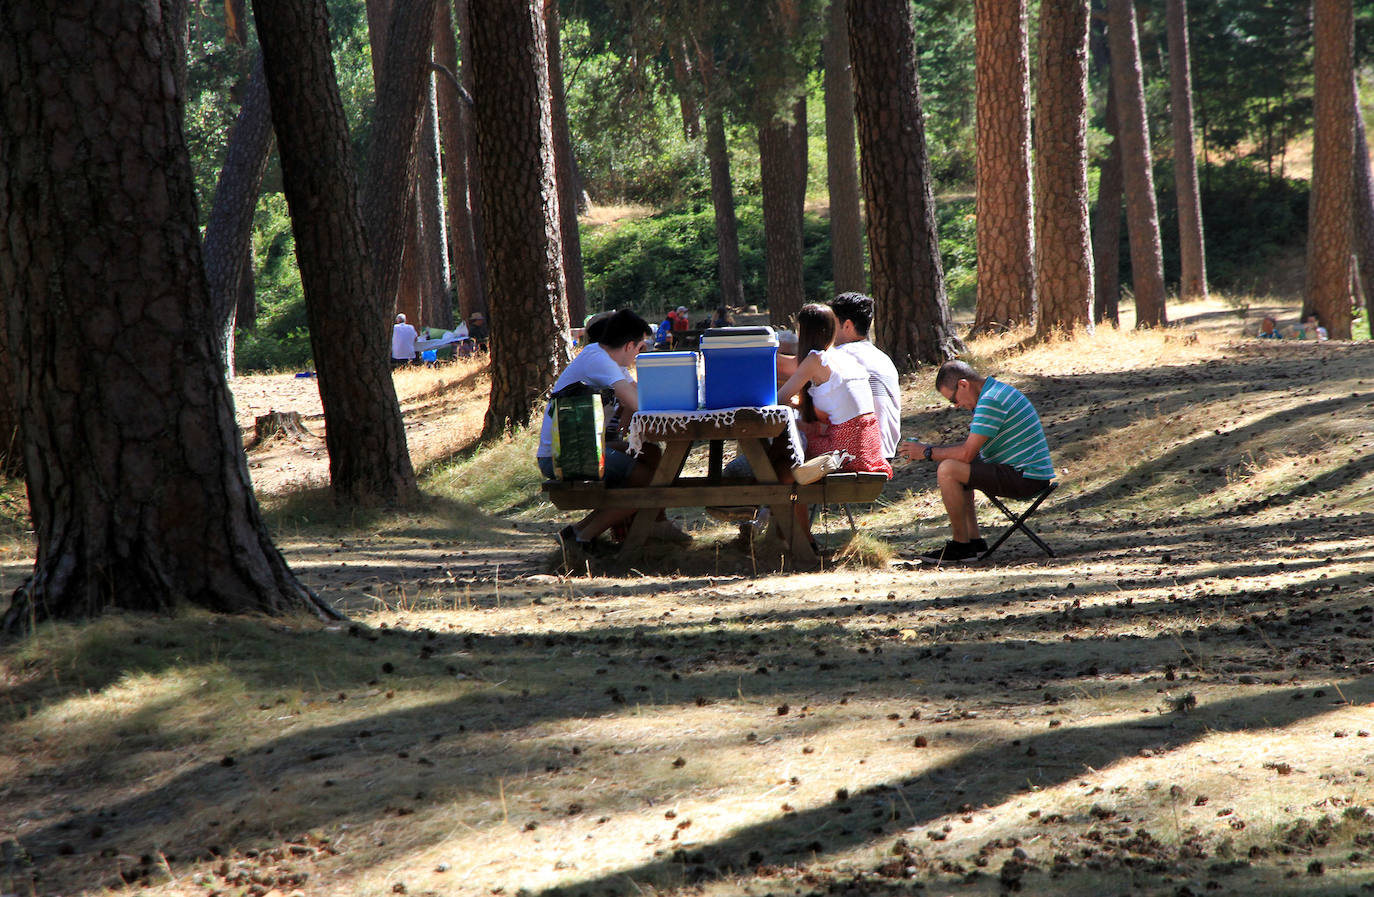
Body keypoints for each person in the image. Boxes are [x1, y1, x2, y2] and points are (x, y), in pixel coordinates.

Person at [535, 309, 687, 556]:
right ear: (629, 345)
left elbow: (637, 395)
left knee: (650, 452)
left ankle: (655, 524)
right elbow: (640, 404)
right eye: (640, 348)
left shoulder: (609, 361)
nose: (639, 354)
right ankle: (581, 536)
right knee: (650, 480)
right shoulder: (597, 359)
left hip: (583, 448)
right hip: (563, 456)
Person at [898, 360, 1055, 565]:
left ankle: (961, 545)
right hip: (1026, 473)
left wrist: (926, 452)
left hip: (1026, 477)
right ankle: (973, 542)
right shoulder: (994, 392)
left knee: (948, 470)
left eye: (954, 398)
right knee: (956, 464)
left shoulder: (991, 400)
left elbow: (965, 454)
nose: (956, 405)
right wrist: (930, 450)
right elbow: (969, 451)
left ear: (964, 384)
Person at [777, 304, 893, 479]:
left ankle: (778, 505)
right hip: (868, 450)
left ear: (804, 332)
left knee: (785, 453)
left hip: (844, 453)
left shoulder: (816, 359)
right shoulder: (843, 356)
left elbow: (779, 398)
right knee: (800, 435)